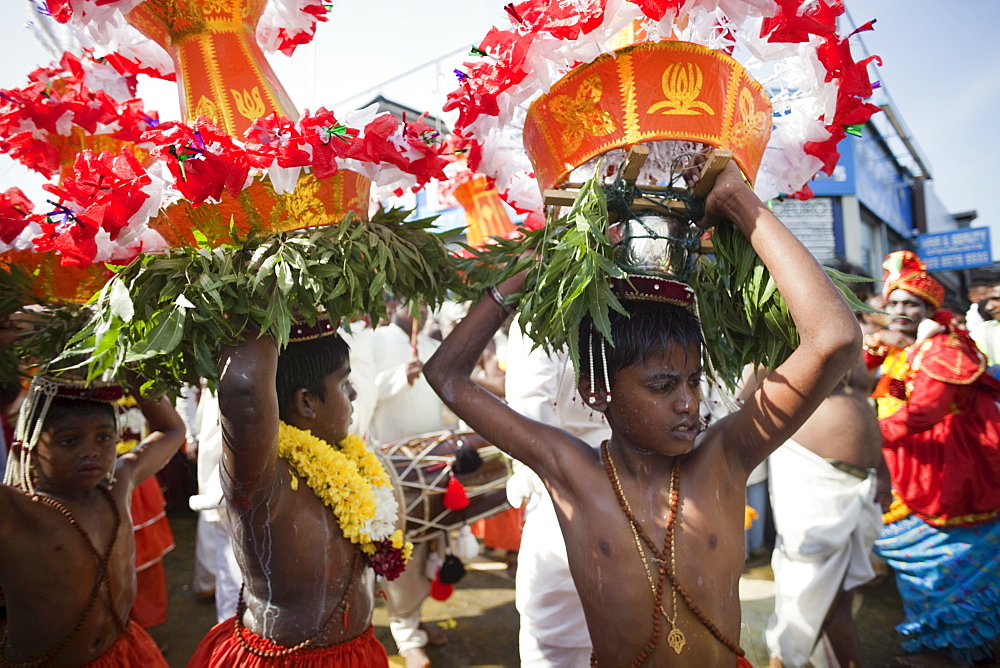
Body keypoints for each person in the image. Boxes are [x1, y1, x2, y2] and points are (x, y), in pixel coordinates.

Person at [424, 160, 861, 665]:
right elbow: (447, 378)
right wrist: (524, 272)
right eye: (662, 384)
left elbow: (835, 339)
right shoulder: (572, 472)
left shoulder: (725, 457)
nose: (688, 402)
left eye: (694, 381)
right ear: (596, 392)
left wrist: (742, 206)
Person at [187, 318, 403, 665]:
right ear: (306, 403)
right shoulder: (263, 482)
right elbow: (245, 395)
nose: (355, 393)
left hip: (358, 651)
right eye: (345, 383)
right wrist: (265, 281)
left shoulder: (345, 459)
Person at [864, 251, 1000, 667]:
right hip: (905, 463)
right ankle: (933, 638)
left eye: (911, 304)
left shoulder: (943, 348)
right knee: (909, 559)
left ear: (929, 309)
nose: (901, 311)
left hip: (945, 468)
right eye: (894, 304)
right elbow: (862, 374)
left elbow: (924, 413)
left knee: (944, 559)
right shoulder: (900, 345)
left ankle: (953, 646)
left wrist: (864, 438)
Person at [0, 368, 185, 666]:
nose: (91, 452)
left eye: (103, 437)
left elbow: (172, 430)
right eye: (69, 441)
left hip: (126, 653)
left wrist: (133, 369)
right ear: (27, 451)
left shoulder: (119, 483)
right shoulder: (16, 512)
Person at [763, 355, 886, 665]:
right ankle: (783, 660)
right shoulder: (777, 340)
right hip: (810, 474)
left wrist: (882, 472)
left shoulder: (848, 331)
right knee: (805, 584)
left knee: (838, 596)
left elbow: (863, 401)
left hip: (860, 482)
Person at [503, 316, 611, 667]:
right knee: (558, 642)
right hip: (564, 500)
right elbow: (529, 415)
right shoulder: (550, 308)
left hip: (619, 495)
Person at [371, 297, 450, 668]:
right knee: (402, 555)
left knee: (432, 550)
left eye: (424, 298)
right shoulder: (378, 340)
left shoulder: (435, 346)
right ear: (391, 303)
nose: (417, 306)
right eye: (408, 298)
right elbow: (362, 393)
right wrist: (399, 376)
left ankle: (420, 621)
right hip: (393, 468)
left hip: (433, 462)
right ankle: (406, 637)